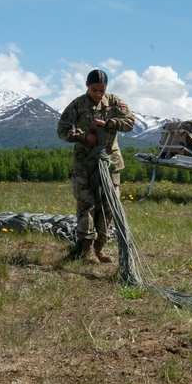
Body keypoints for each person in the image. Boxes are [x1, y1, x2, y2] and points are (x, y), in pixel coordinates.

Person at [57, 69, 135, 263]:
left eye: (102, 90)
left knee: (109, 205)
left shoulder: (115, 102)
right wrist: (84, 136)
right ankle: (86, 248)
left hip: (110, 163)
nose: (98, 94)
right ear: (86, 86)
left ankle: (100, 246)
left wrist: (109, 123)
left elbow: (130, 123)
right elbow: (62, 130)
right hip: (85, 163)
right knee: (87, 204)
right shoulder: (77, 105)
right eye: (94, 90)